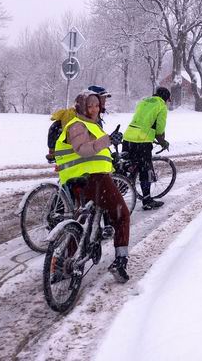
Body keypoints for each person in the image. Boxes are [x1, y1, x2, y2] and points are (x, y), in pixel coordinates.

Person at [54, 90, 130, 282]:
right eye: (90, 105)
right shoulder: (77, 125)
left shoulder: (90, 124)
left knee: (80, 220)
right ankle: (120, 262)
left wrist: (111, 149)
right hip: (93, 179)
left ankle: (63, 265)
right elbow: (84, 150)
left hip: (81, 180)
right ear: (81, 107)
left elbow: (97, 149)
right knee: (122, 215)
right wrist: (108, 140)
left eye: (97, 105)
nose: (95, 109)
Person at [123, 87, 171, 210]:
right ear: (165, 98)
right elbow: (160, 128)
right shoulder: (161, 106)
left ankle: (118, 188)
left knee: (126, 167)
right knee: (145, 169)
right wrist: (162, 141)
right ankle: (147, 200)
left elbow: (142, 119)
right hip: (142, 140)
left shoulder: (143, 101)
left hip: (128, 136)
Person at [46, 85, 111, 161]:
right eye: (102, 99)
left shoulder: (91, 117)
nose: (104, 102)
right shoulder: (78, 118)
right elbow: (84, 148)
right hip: (79, 163)